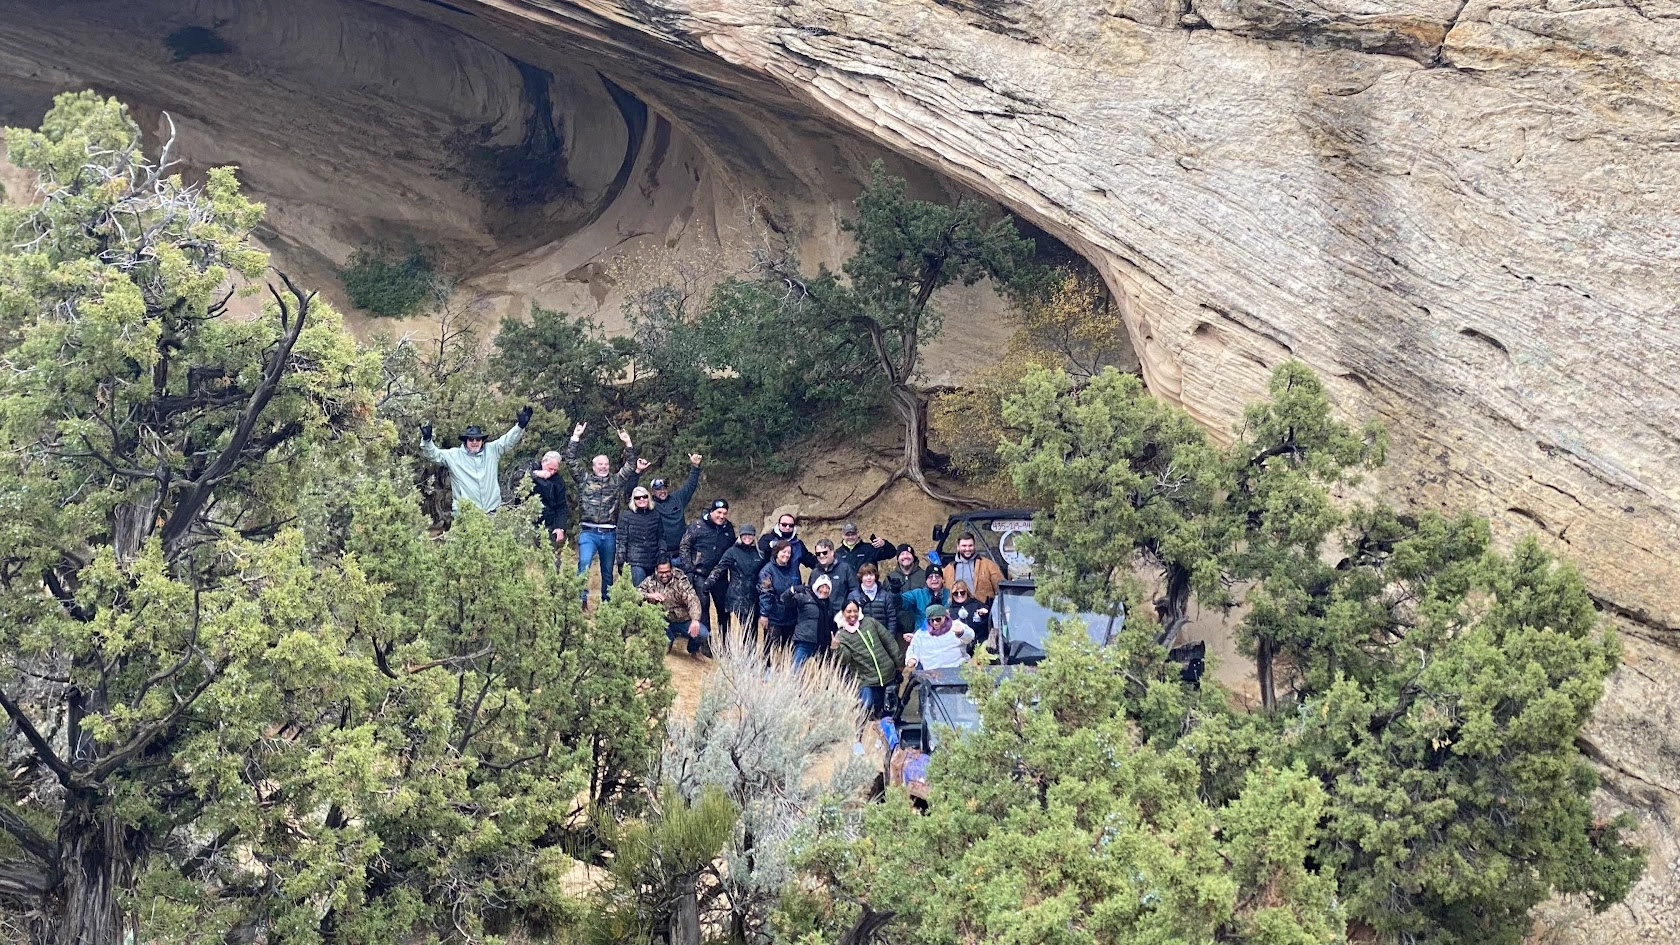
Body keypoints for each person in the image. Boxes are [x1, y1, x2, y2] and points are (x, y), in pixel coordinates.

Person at [564, 422, 636, 606]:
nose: (603, 467)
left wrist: (627, 443)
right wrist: (576, 437)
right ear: (593, 466)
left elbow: (631, 465)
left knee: (606, 571)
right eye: (599, 464)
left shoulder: (615, 481)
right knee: (584, 564)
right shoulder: (584, 480)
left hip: (609, 533)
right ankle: (581, 602)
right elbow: (570, 460)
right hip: (588, 532)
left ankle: (607, 604)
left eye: (605, 464)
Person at [419, 407, 531, 516]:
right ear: (465, 441)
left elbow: (507, 441)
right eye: (471, 439)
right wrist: (427, 440)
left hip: (492, 512)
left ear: (482, 441)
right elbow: (434, 455)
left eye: (478, 439)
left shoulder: (492, 451)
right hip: (466, 514)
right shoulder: (454, 455)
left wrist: (520, 426)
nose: (474, 442)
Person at [832, 598, 902, 717]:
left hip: (887, 673)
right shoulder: (841, 635)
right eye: (849, 611)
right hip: (866, 679)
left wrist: (898, 664)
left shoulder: (870, 622)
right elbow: (846, 659)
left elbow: (888, 641)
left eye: (855, 611)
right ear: (843, 613)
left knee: (891, 709)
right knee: (866, 706)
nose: (852, 614)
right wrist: (836, 648)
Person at [681, 499, 736, 630]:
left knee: (724, 611)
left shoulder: (728, 528)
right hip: (700, 575)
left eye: (724, 513)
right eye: (718, 512)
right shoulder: (697, 526)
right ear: (711, 512)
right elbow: (684, 546)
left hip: (720, 577)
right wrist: (688, 570)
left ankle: (725, 646)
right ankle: (706, 646)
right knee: (703, 610)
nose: (721, 516)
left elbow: (732, 550)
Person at [638, 560, 710, 657]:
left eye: (667, 572)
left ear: (671, 570)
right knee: (648, 612)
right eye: (661, 572)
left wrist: (695, 620)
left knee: (703, 634)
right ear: (656, 571)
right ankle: (667, 640)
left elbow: (693, 599)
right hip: (662, 620)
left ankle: (693, 649)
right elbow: (635, 592)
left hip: (681, 620)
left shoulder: (681, 581)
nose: (664, 575)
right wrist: (649, 595)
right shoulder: (650, 581)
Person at [705, 523, 762, 640]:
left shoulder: (759, 553)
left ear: (754, 536)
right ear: (740, 536)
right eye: (744, 534)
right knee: (745, 627)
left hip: (754, 596)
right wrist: (708, 583)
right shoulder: (732, 551)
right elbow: (720, 568)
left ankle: (749, 655)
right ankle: (735, 652)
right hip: (737, 596)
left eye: (750, 535)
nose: (747, 537)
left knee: (753, 630)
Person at [651, 454, 703, 566]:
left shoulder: (678, 498)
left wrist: (695, 466)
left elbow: (690, 486)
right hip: (663, 556)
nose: (662, 491)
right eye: (658, 489)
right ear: (652, 492)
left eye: (664, 488)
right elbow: (633, 496)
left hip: (682, 553)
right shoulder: (650, 505)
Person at [615, 486, 666, 586]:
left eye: (644, 496)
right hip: (635, 562)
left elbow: (661, 536)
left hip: (654, 561)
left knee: (655, 594)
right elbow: (621, 541)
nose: (641, 499)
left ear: (649, 498)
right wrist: (621, 562)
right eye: (638, 498)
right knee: (639, 593)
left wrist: (662, 551)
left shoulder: (656, 515)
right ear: (633, 500)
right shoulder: (626, 516)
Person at [757, 540, 804, 647]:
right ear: (776, 552)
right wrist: (764, 614)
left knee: (788, 648)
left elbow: (798, 589)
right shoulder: (767, 571)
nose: (786, 555)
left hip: (791, 617)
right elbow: (765, 594)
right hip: (774, 618)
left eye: (789, 552)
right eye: (784, 552)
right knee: (770, 648)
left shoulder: (794, 569)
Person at [784, 575, 835, 669]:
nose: (825, 590)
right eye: (822, 587)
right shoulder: (805, 596)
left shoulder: (829, 605)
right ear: (817, 587)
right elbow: (785, 600)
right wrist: (792, 590)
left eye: (828, 588)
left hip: (822, 644)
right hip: (804, 641)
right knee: (795, 671)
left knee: (825, 673)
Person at [904, 605, 974, 672]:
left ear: (945, 617)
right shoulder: (921, 633)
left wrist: (961, 632)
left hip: (957, 668)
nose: (935, 623)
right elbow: (913, 648)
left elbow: (970, 637)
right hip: (932, 673)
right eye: (931, 620)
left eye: (938, 619)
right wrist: (911, 658)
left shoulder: (955, 625)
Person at [942, 532, 1003, 607]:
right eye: (964, 546)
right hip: (956, 612)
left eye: (970, 545)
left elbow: (1001, 589)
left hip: (983, 611)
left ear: (974, 546)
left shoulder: (988, 565)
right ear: (958, 547)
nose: (967, 549)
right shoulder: (948, 569)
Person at [528, 449, 567, 559]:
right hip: (526, 523)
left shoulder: (558, 481)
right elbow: (517, 478)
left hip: (547, 525)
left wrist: (560, 527)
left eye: (555, 470)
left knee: (551, 560)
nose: (552, 472)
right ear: (543, 463)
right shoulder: (531, 468)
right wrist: (536, 475)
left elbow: (561, 507)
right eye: (550, 469)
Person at [886, 544, 927, 637]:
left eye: (908, 554)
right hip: (897, 628)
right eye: (902, 554)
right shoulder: (891, 577)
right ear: (897, 558)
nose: (905, 557)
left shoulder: (924, 576)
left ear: (913, 556)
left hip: (919, 628)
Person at [848, 563, 899, 638]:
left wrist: (890, 638)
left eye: (871, 575)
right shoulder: (853, 596)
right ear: (861, 577)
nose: (868, 578)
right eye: (865, 575)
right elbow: (848, 619)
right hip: (861, 638)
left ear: (875, 576)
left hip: (882, 637)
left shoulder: (885, 595)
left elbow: (891, 619)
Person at [900, 570, 951, 635]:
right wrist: (895, 593)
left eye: (937, 576)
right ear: (926, 581)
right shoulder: (918, 594)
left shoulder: (951, 594)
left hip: (946, 636)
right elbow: (902, 602)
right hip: (922, 636)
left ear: (942, 579)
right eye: (930, 577)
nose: (934, 579)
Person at [948, 579, 991, 650]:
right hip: (961, 648)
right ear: (952, 595)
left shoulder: (977, 604)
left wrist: (984, 615)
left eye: (962, 592)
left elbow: (987, 624)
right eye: (955, 593)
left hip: (980, 644)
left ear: (967, 592)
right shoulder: (950, 611)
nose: (959, 595)